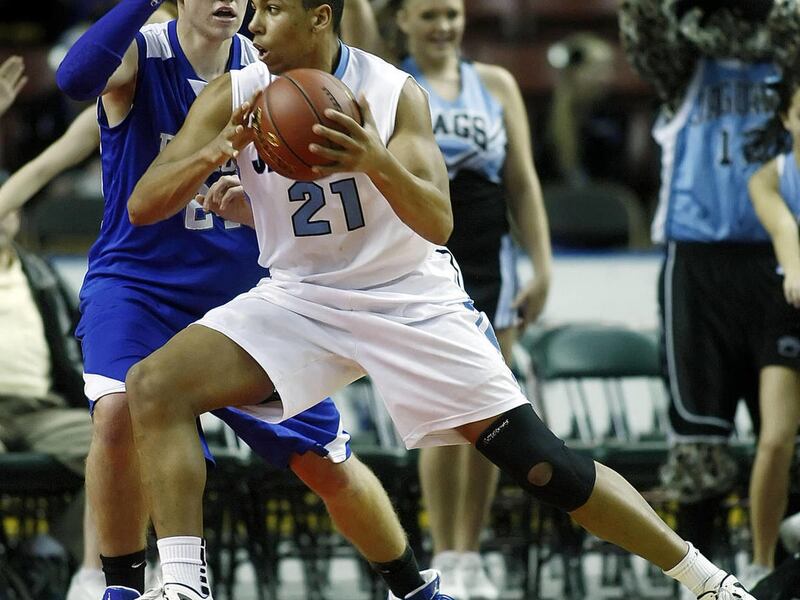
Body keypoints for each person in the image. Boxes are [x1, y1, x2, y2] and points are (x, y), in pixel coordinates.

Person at [125, 1, 758, 600]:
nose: (253, 25)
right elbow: (142, 205)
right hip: (301, 298)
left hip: (407, 297)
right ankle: (185, 580)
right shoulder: (233, 94)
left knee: (544, 468)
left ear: (319, 17)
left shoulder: (395, 94)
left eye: (272, 10)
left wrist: (375, 159)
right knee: (154, 385)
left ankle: (705, 580)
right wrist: (214, 153)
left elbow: (437, 220)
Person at [55, 1, 433, 599]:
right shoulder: (142, 52)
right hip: (138, 283)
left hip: (242, 292)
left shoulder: (272, 68)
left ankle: (416, 588)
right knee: (117, 412)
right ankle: (123, 589)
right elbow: (73, 80)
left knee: (323, 462)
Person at [619, 0, 800, 592]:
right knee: (699, 435)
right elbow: (643, 24)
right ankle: (700, 575)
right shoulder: (682, 64)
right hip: (697, 262)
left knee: (784, 435)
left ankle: (773, 567)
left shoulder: (789, 61)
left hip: (782, 259)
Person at [385, 1, 551, 596]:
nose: (444, 25)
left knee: (493, 411)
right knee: (445, 417)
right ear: (400, 20)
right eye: (428, 14)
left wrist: (543, 265)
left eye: (452, 13)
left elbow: (524, 182)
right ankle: (442, 551)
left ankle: (470, 553)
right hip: (424, 252)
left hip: (492, 254)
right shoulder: (392, 81)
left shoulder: (497, 83)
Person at [745, 68, 800, 581]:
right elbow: (784, 228)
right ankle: (761, 562)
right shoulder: (770, 175)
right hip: (790, 306)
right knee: (775, 437)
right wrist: (798, 270)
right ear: (788, 117)